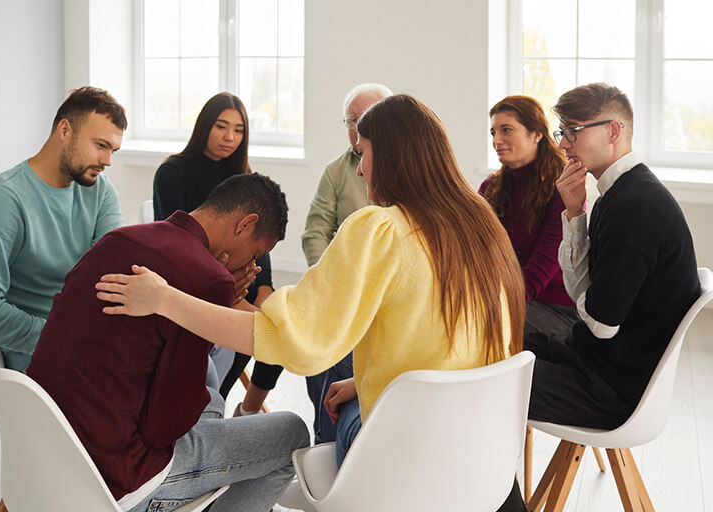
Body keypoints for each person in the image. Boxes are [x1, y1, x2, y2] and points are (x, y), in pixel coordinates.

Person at [96, 94, 529, 511]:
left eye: (363, 153)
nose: (359, 171)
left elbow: (291, 340)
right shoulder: (481, 226)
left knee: (314, 417)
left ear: (393, 156)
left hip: (401, 464)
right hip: (479, 458)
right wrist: (364, 383)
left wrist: (166, 299)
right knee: (345, 389)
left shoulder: (380, 229)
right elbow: (455, 344)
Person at [27, 173, 309, 512]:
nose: (252, 266)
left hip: (47, 458)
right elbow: (163, 428)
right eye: (257, 253)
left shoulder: (119, 239)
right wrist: (218, 291)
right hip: (121, 480)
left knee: (212, 395)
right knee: (292, 434)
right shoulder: (209, 279)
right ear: (245, 224)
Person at [527, 83, 699, 429]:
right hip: (593, 358)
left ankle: (504, 486)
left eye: (573, 131)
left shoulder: (635, 207)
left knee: (479, 383)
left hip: (609, 387)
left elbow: (601, 324)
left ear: (613, 131)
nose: (562, 143)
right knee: (487, 341)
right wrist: (575, 213)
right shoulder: (617, 194)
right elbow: (585, 297)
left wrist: (588, 303)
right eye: (563, 132)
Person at [0, 86, 126, 371]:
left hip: (95, 343)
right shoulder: (4, 199)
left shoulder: (100, 191)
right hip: (49, 361)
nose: (108, 161)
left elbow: (114, 274)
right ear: (64, 131)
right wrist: (67, 337)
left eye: (113, 150)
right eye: (100, 145)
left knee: (193, 371)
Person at [152, 92, 281, 411]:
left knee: (278, 330)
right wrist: (233, 294)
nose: (230, 137)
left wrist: (264, 288)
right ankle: (210, 405)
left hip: (243, 280)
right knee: (252, 334)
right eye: (221, 126)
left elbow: (259, 241)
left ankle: (247, 409)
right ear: (204, 126)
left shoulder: (245, 178)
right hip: (198, 282)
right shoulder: (171, 173)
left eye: (238, 130)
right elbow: (173, 241)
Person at [301, 82, 392, 443]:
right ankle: (325, 430)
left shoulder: (404, 177)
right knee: (315, 336)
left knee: (339, 347)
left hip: (380, 295)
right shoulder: (337, 171)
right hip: (342, 286)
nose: (358, 127)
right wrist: (331, 283)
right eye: (352, 120)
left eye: (366, 118)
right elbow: (315, 233)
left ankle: (332, 437)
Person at [480, 95, 577, 339]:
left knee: (475, 322)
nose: (497, 140)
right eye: (493, 133)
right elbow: (473, 248)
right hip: (507, 296)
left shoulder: (563, 188)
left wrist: (494, 305)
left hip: (555, 309)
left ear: (536, 133)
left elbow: (541, 268)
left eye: (506, 130)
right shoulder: (490, 187)